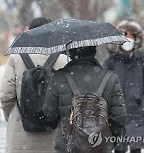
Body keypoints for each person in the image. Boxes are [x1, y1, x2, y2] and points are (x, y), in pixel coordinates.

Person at [0, 17, 68, 153]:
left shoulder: (16, 57)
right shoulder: (63, 59)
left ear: (30, 33)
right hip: (52, 136)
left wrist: (14, 116)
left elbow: (6, 96)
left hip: (21, 137)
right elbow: (67, 99)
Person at [42, 46, 127, 153]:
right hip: (101, 146)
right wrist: (108, 136)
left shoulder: (58, 76)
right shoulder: (110, 77)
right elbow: (120, 117)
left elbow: (49, 113)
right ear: (94, 51)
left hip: (67, 146)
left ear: (71, 53)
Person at [103, 20, 144, 153]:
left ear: (137, 39)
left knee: (136, 149)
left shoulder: (141, 61)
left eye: (131, 36)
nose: (128, 39)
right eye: (125, 36)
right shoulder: (111, 61)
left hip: (137, 116)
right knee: (118, 149)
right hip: (116, 117)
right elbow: (103, 86)